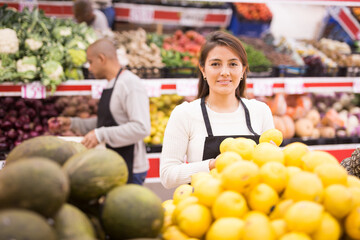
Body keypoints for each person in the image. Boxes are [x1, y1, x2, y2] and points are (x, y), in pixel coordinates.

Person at [160, 31, 274, 189]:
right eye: (215, 64)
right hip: (205, 207)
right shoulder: (185, 114)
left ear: (243, 70)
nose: (225, 72)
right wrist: (212, 165)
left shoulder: (261, 111)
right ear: (203, 70)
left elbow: (272, 166)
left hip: (253, 206)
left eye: (233, 64)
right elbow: (167, 176)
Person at [49, 39, 151, 185]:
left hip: (130, 167)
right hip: (113, 163)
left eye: (90, 62)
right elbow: (106, 122)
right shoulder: (112, 83)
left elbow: (141, 128)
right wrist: (72, 123)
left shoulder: (130, 84)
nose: (89, 68)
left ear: (101, 58)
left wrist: (100, 134)